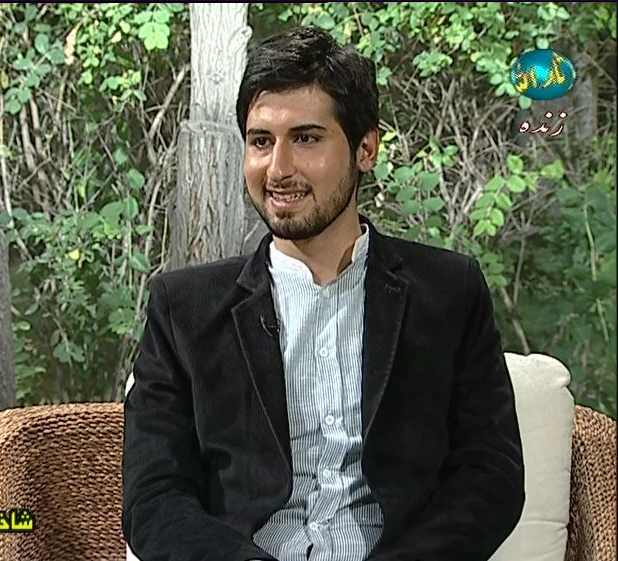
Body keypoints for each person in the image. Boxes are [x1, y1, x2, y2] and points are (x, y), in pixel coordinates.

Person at [122, 26, 524, 561]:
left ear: (365, 148)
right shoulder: (183, 309)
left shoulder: (450, 292)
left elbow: (491, 472)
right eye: (261, 141)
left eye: (306, 139)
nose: (278, 169)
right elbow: (153, 497)